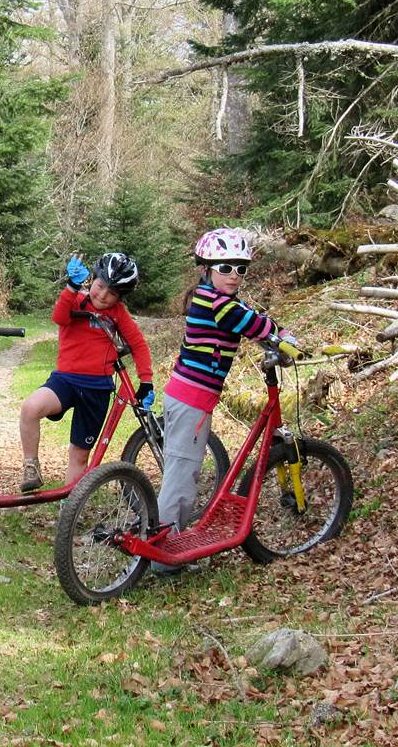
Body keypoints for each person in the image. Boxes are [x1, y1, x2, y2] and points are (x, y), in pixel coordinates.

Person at [156, 228, 287, 570]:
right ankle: (164, 556)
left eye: (240, 269)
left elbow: (249, 318)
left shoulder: (215, 298)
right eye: (225, 268)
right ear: (207, 269)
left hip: (187, 397)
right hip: (193, 400)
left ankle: (164, 541)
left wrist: (272, 332)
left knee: (180, 469)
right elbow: (253, 323)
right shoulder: (216, 303)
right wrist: (282, 337)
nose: (233, 276)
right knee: (182, 477)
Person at [18, 252, 154, 492]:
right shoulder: (76, 300)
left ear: (120, 297)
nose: (102, 295)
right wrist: (71, 286)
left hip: (97, 388)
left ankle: (70, 508)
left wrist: (146, 381)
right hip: (66, 381)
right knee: (30, 408)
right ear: (92, 280)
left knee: (79, 455)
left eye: (112, 293)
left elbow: (139, 345)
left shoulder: (118, 314)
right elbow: (59, 317)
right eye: (100, 286)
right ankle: (31, 466)